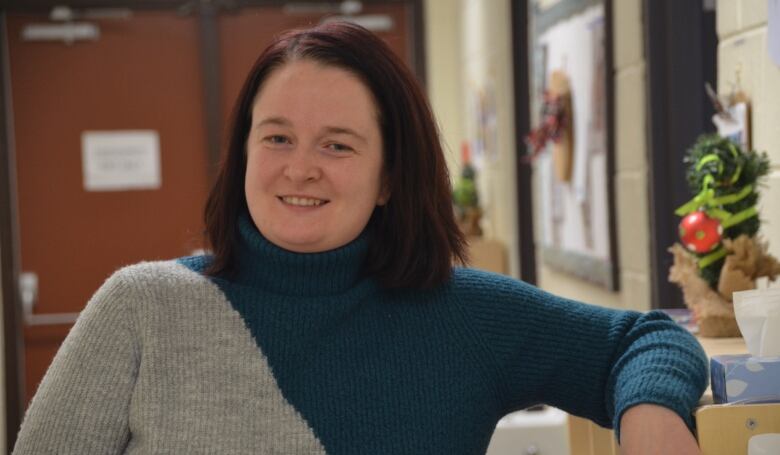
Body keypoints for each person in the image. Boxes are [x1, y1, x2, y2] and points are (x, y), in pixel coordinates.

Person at [13, 22, 707, 455]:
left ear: (387, 178)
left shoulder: (464, 317)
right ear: (244, 154)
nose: (300, 166)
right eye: (276, 136)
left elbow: (644, 337)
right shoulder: (140, 308)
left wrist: (649, 412)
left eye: (337, 144)